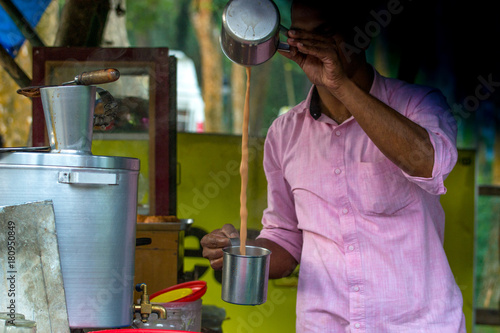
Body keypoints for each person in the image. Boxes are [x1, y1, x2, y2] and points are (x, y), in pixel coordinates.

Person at [201, 0, 465, 331]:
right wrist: (237, 250)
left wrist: (339, 83)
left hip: (417, 324)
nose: (314, 47)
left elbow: (431, 164)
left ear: (364, 36)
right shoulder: (285, 133)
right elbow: (285, 241)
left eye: (326, 34)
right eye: (301, 35)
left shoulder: (419, 103)